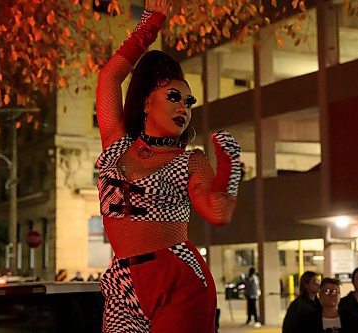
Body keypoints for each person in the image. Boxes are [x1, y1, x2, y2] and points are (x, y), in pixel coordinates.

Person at [94, 0, 241, 331]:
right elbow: (109, 78)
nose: (184, 107)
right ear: (147, 101)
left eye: (189, 102)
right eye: (174, 97)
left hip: (179, 280)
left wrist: (231, 168)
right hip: (123, 281)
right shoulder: (117, 144)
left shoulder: (191, 159)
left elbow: (218, 213)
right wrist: (150, 23)